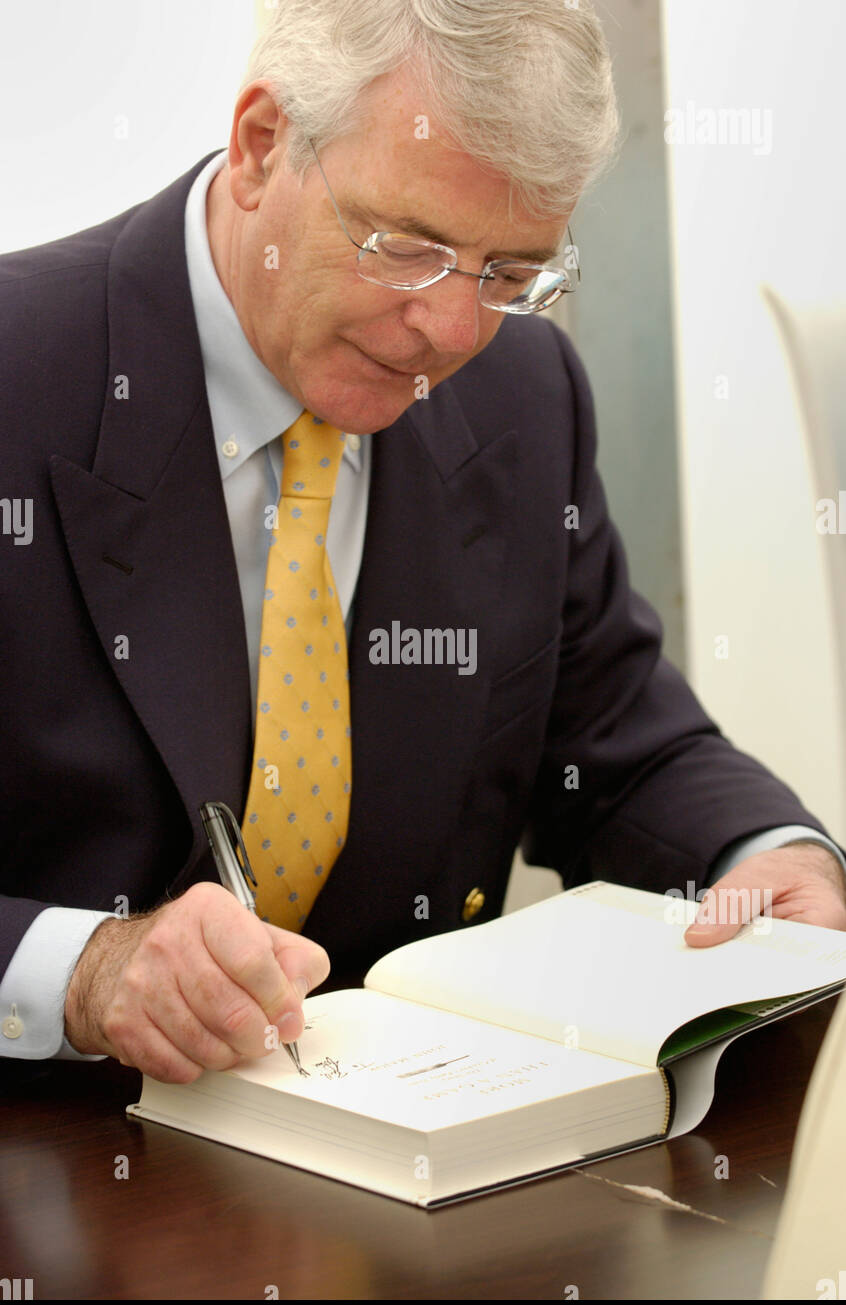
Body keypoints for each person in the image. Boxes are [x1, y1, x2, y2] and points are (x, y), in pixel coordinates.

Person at [1, 0, 844, 1087]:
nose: (453, 333)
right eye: (410, 248)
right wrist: (83, 970)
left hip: (417, 1167)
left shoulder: (524, 396)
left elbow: (619, 751)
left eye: (510, 273)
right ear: (262, 147)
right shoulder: (21, 376)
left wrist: (767, 857)